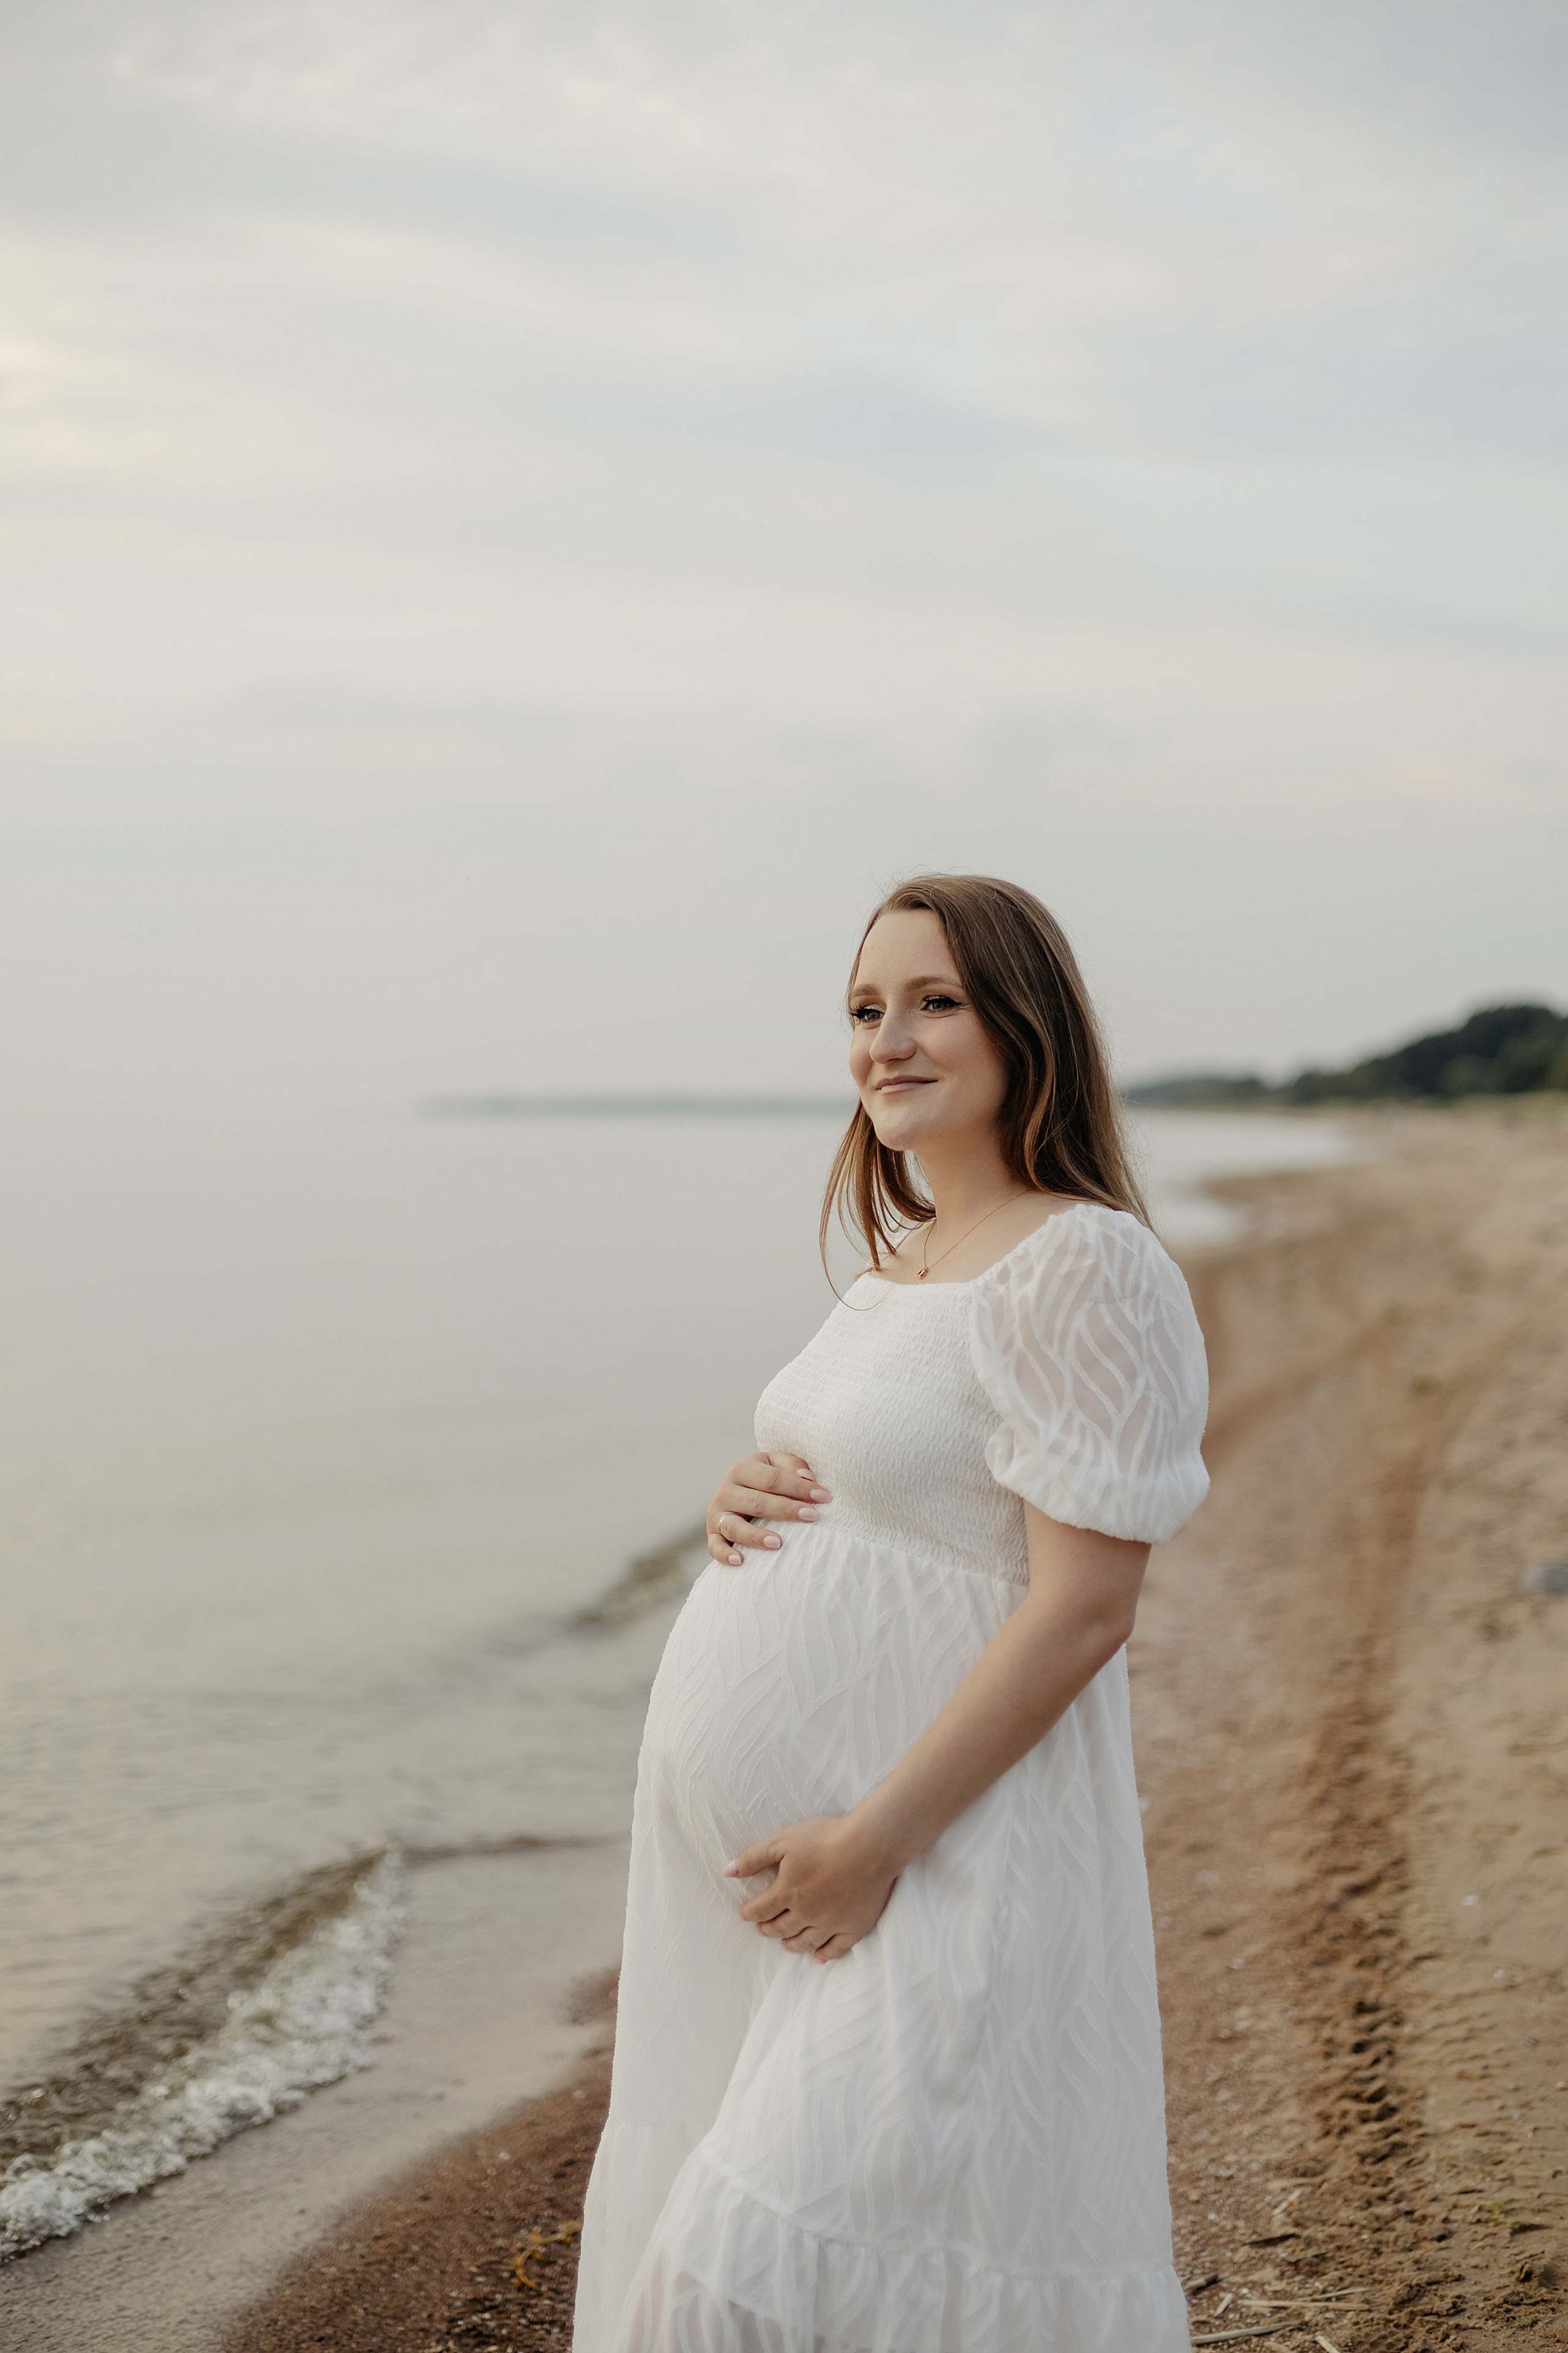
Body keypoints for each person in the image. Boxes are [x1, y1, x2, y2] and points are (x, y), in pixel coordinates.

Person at [573, 874, 1210, 2353]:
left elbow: (1083, 1609)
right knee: (765, 2276)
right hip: (794, 1896)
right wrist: (739, 1491)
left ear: (1022, 1023)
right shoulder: (898, 1267)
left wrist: (870, 1844)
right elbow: (884, 1490)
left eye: (934, 1000)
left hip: (939, 1869)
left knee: (725, 2293)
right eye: (865, 1009)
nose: (889, 1040)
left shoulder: (1082, 1260)